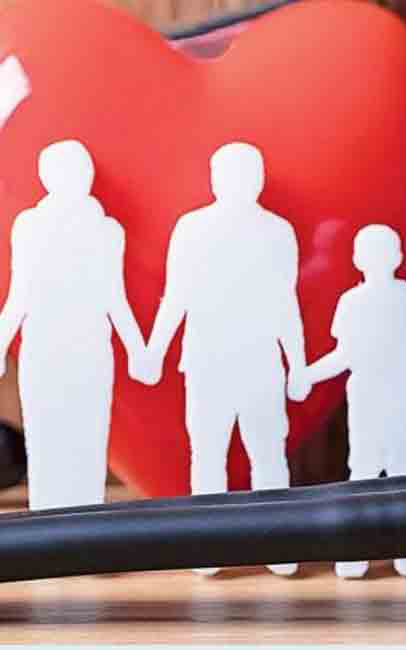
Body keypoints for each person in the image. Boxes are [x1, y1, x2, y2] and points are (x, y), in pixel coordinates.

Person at [146, 142, 308, 577]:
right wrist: (155, 351)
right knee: (208, 453)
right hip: (208, 360)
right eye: (230, 173)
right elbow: (176, 296)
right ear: (214, 180)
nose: (239, 182)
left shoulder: (277, 232)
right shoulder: (191, 229)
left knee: (267, 453)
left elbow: (285, 303)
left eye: (247, 173)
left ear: (259, 180)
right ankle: (208, 544)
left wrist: (297, 363)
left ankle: (278, 542)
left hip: (260, 360)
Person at [0, 140, 152, 511]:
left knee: (89, 431)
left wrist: (138, 350)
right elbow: (20, 295)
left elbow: (113, 296)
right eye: (67, 171)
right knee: (45, 432)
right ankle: (47, 518)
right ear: (47, 178)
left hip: (90, 344)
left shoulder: (107, 231)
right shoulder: (30, 226)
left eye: (81, 170)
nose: (76, 178)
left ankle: (86, 516)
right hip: (44, 344)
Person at [293, 224, 406, 579]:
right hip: (367, 397)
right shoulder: (351, 303)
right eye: (371, 252)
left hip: (403, 396)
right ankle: (357, 552)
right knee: (364, 472)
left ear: (397, 257)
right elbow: (344, 355)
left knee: (401, 472)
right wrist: (307, 375)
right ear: (358, 259)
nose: (378, 259)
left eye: (385, 251)